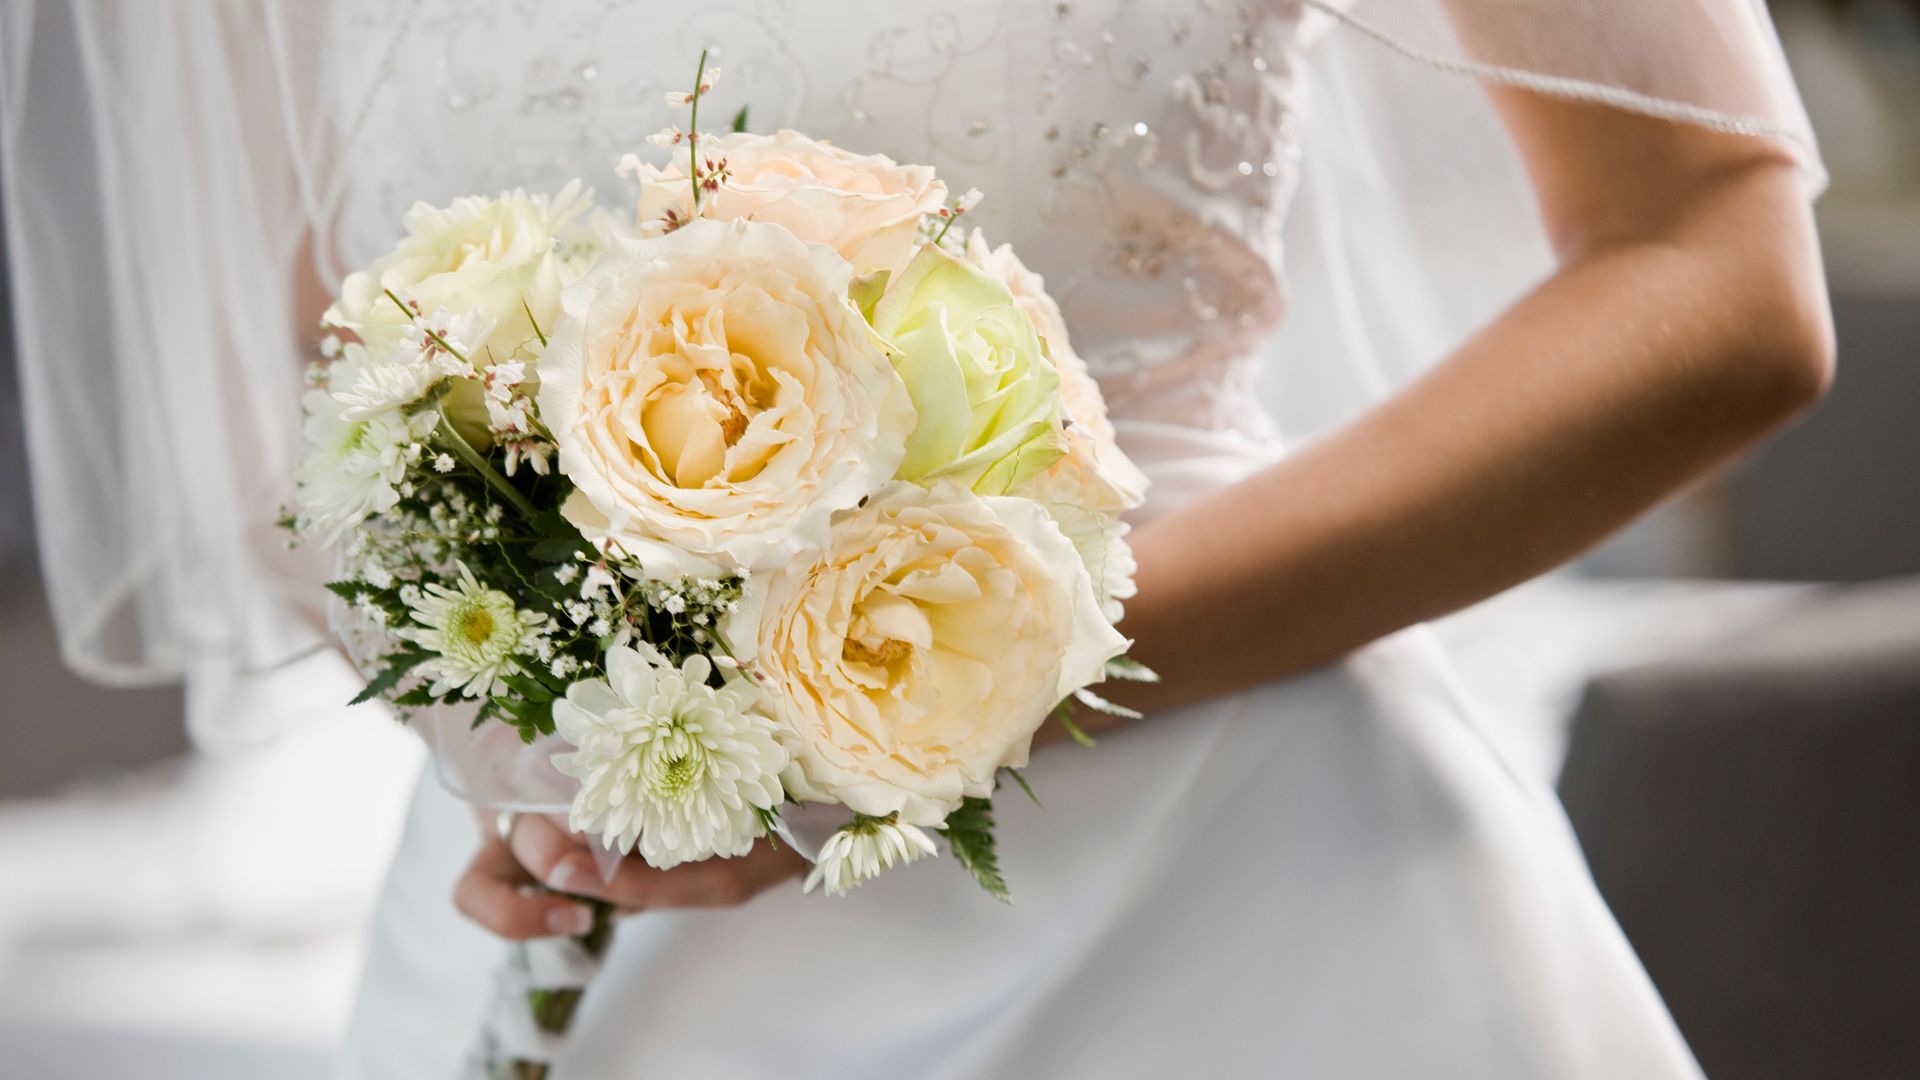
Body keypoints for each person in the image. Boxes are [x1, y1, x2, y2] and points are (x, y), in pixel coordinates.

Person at [2, 2, 1832, 1077]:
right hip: (590, 926)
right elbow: (285, 383)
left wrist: (966, 698)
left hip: (1248, 891)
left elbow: (1721, 272)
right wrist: (527, 738)